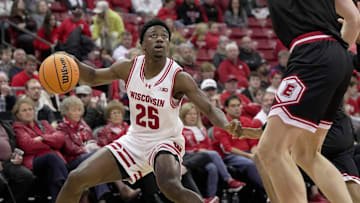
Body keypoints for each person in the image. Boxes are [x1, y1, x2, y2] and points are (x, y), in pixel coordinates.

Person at [56, 18, 243, 203]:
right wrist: (73, 63)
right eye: (153, 35)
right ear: (142, 44)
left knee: (169, 184)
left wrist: (226, 124)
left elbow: (209, 108)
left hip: (165, 140)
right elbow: (94, 76)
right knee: (75, 178)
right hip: (135, 140)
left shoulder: (179, 77)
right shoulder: (128, 67)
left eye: (164, 36)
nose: (160, 39)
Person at [254, 0, 360, 203]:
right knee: (306, 153)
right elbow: (354, 18)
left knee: (270, 150)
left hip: (310, 52)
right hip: (339, 55)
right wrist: (335, 55)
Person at [180, 102, 245, 198]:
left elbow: (209, 145)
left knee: (212, 168)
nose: (193, 117)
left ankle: (211, 197)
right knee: (214, 154)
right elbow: (182, 148)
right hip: (191, 157)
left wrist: (205, 151)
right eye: (189, 114)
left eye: (195, 114)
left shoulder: (202, 129)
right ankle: (229, 180)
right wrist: (198, 150)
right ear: (183, 116)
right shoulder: (181, 130)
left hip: (206, 157)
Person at [12, 97, 68, 203]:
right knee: (52, 158)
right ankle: (68, 188)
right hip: (34, 161)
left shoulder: (44, 123)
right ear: (18, 115)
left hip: (53, 162)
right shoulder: (18, 127)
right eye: (24, 110)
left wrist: (43, 138)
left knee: (53, 171)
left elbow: (60, 139)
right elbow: (27, 145)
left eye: (30, 109)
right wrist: (51, 143)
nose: (28, 112)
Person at [0, 119, 35, 203]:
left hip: (8, 162)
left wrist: (16, 156)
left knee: (26, 175)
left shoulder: (4, 124)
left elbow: (13, 143)